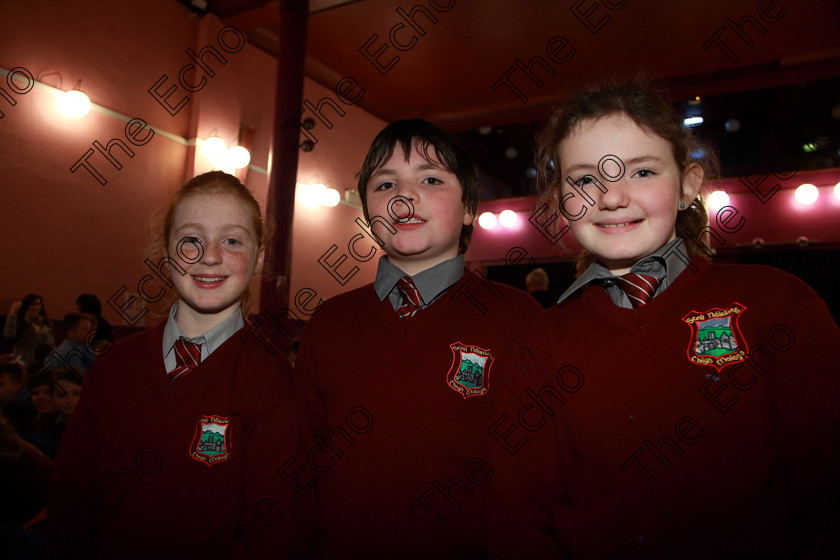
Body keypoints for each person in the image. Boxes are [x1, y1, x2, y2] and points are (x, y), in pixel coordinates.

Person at [491, 81, 840, 558]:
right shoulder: (537, 342)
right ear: (560, 200)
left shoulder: (777, 305)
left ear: (688, 185)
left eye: (642, 171)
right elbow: (517, 515)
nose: (611, 198)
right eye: (585, 179)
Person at [294, 119, 542, 559]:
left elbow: (539, 472)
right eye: (386, 184)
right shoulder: (330, 322)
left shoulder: (518, 319)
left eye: (430, 179)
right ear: (367, 208)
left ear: (469, 208)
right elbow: (300, 463)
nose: (405, 197)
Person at [47, 171, 300, 559]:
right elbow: (71, 498)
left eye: (231, 240)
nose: (210, 255)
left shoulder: (273, 381)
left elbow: (271, 530)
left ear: (260, 257)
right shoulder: (114, 367)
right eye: (191, 240)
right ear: (166, 254)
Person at [4, 294, 54, 367]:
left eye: (38, 304)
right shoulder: (20, 322)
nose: (36, 307)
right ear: (26, 306)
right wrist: (12, 312)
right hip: (22, 362)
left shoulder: (47, 324)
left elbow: (51, 345)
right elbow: (8, 334)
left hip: (42, 364)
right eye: (32, 304)